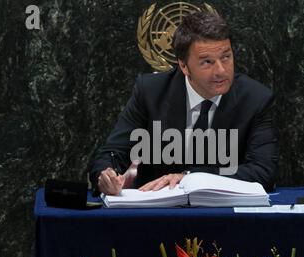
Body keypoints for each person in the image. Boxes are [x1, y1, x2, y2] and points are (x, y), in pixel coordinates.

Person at [89, 11, 278, 196]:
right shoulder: (151, 92)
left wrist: (189, 177)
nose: (221, 71)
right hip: (157, 212)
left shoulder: (255, 99)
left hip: (224, 214)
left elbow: (263, 171)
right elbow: (113, 152)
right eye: (207, 62)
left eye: (226, 57)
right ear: (184, 65)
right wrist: (106, 176)